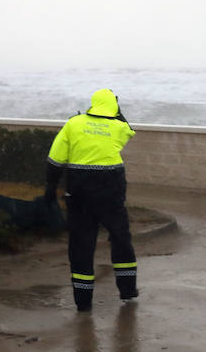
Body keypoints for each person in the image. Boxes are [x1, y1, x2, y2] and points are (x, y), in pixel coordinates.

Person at [44, 89, 138, 312]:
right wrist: (118, 109)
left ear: (93, 103)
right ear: (113, 105)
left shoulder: (73, 124)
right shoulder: (118, 127)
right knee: (120, 238)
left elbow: (55, 159)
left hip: (79, 192)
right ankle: (127, 290)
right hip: (111, 192)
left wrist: (50, 187)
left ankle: (83, 301)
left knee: (81, 245)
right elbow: (129, 130)